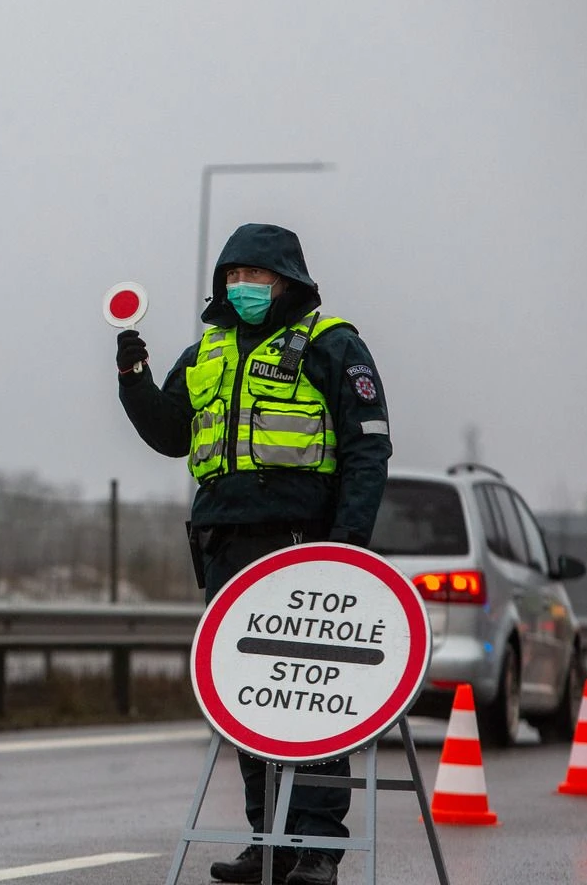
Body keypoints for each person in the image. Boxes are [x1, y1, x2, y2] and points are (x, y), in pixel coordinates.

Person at [114, 222, 391, 885]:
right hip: (225, 548)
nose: (242, 289)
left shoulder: (333, 345)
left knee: (312, 699)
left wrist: (345, 549)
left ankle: (319, 848)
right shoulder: (206, 351)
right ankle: (269, 841)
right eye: (232, 278)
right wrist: (133, 375)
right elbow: (170, 435)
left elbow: (367, 450)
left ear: (286, 281)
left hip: (302, 547)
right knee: (248, 700)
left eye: (255, 277)